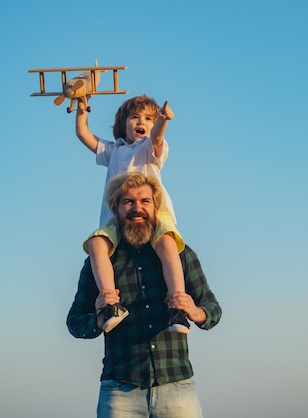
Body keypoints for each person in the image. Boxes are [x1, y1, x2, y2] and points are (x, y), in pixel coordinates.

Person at [67, 172, 222, 417]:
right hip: (119, 390)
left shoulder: (180, 255)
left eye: (144, 202)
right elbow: (74, 322)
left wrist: (195, 312)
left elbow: (212, 309)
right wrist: (97, 320)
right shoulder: (99, 263)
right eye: (128, 202)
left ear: (155, 207)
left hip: (177, 387)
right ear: (115, 209)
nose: (137, 209)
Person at [75, 94, 189, 333]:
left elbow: (157, 135)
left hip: (153, 214)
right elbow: (83, 135)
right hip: (118, 217)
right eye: (135, 117)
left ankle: (177, 306)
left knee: (166, 244)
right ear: (123, 123)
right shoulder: (113, 150)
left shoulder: (150, 148)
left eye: (148, 118)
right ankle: (110, 304)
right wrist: (82, 108)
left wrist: (163, 120)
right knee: (96, 243)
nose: (142, 122)